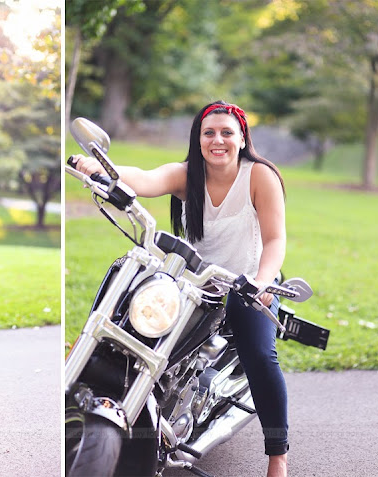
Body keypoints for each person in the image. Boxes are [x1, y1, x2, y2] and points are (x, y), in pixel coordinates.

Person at [70, 100, 289, 477]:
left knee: (258, 355)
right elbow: (143, 177)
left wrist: (262, 281)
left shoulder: (259, 176)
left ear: (241, 139)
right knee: (134, 326)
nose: (217, 140)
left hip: (247, 283)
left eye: (226, 133)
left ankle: (277, 456)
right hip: (196, 282)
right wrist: (101, 167)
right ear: (198, 139)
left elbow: (275, 240)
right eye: (209, 133)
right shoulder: (187, 174)